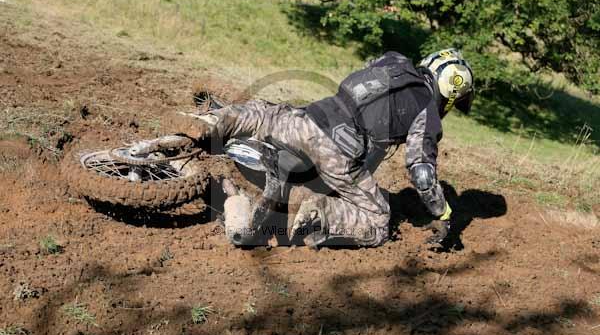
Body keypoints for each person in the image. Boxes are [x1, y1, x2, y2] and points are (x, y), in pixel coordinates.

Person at [191, 49, 474, 248]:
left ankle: (215, 120)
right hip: (336, 152)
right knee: (378, 222)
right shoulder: (427, 112)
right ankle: (313, 211)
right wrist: (443, 214)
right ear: (450, 94)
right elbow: (422, 175)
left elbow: (370, 82)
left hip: (311, 116)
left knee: (264, 115)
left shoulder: (394, 59)